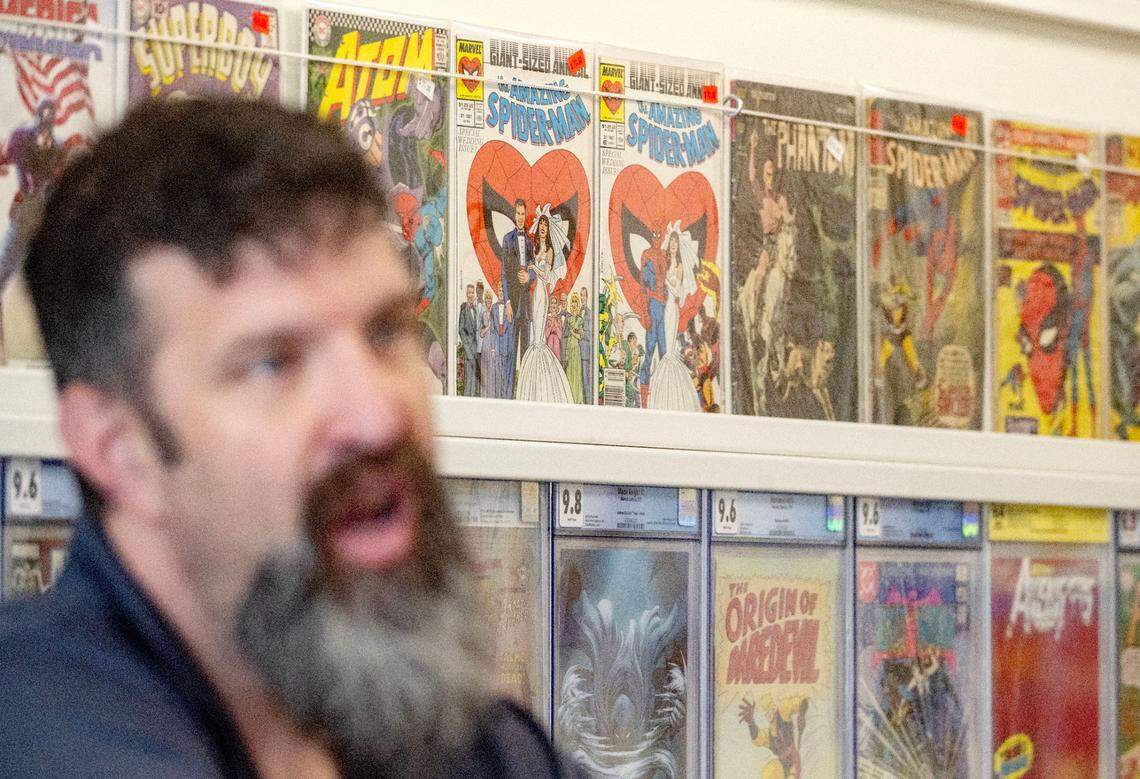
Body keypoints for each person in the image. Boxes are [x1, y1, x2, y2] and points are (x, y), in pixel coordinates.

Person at [0, 98, 567, 777]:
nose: (376, 415)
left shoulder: (464, 743)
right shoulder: (42, 733)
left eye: (386, 331)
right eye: (273, 362)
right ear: (119, 449)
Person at [515, 205, 573, 403]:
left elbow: (547, 276)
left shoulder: (548, 250)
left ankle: (542, 374)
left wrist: (533, 267)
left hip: (542, 291)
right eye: (540, 224)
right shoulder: (534, 247)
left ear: (548, 229)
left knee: (539, 335)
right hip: (534, 294)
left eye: (545, 225)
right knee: (535, 330)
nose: (542, 227)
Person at [647, 224, 700, 411]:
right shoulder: (665, 260)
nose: (673, 245)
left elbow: (676, 289)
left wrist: (665, 281)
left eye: (676, 243)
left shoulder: (678, 266)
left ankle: (671, 384)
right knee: (662, 345)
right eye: (672, 242)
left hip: (671, 307)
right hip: (662, 306)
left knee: (669, 347)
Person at [501, 198, 534, 378]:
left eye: (523, 214)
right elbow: (504, 273)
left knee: (525, 353)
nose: (520, 217)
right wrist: (506, 302)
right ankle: (508, 396)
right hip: (512, 304)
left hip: (526, 306)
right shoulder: (507, 239)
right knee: (510, 352)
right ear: (514, 215)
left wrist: (530, 276)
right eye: (518, 214)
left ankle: (523, 394)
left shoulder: (530, 242)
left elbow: (535, 269)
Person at [563, 293, 585, 404]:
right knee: (570, 372)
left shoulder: (580, 320)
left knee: (576, 373)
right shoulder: (569, 319)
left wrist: (573, 333)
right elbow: (566, 336)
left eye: (576, 302)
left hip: (576, 347)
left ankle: (577, 398)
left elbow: (581, 336)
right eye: (573, 302)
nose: (574, 304)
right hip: (569, 347)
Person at [459, 283, 480, 396]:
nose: (471, 295)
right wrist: (467, 348)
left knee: (474, 380)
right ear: (466, 294)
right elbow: (461, 330)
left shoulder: (476, 310)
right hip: (468, 350)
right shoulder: (463, 309)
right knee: (468, 380)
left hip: (476, 349)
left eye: (472, 293)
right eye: (469, 293)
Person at [479, 288, 497, 400]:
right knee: (485, 371)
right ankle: (484, 396)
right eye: (487, 299)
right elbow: (480, 333)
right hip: (485, 343)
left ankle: (492, 396)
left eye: (490, 299)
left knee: (492, 371)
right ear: (485, 301)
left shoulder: (494, 312)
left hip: (493, 343)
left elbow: (496, 331)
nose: (488, 301)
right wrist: (487, 328)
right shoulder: (483, 313)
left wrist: (494, 348)